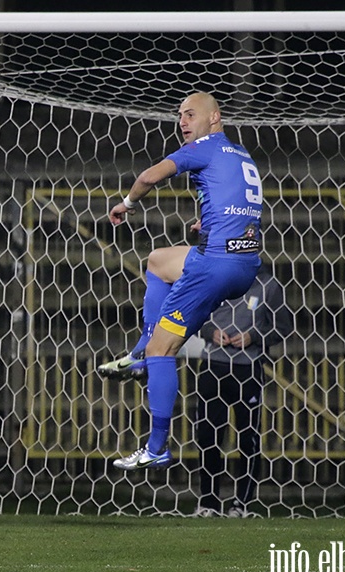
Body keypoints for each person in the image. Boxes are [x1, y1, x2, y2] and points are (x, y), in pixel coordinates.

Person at [99, 91, 265, 471]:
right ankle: (140, 353)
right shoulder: (241, 155)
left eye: (190, 114)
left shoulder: (204, 148)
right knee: (158, 261)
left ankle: (156, 446)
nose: (183, 122)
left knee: (164, 351)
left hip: (215, 266)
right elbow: (241, 203)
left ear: (214, 118)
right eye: (179, 116)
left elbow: (147, 177)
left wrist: (128, 203)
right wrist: (207, 224)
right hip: (243, 261)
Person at [192, 264, 291, 517]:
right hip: (213, 366)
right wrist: (210, 332)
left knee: (248, 438)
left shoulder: (268, 285)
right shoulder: (214, 277)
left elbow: (283, 326)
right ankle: (209, 502)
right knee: (208, 436)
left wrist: (254, 336)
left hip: (248, 369)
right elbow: (195, 318)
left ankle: (241, 504)